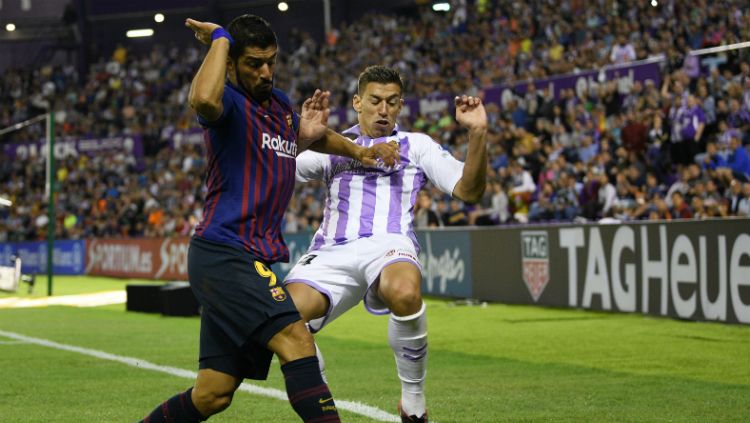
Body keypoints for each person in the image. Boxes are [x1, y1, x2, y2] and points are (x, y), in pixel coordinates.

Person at [141, 15, 397, 423]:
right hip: (225, 253)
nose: (265, 72)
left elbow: (310, 133)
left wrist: (359, 152)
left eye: (271, 62)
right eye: (254, 63)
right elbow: (201, 100)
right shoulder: (226, 103)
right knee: (296, 338)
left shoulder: (277, 106)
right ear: (231, 63)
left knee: (213, 394)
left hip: (249, 257)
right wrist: (221, 39)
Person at [283, 65, 488, 422]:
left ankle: (413, 401)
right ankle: (322, 401)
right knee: (281, 318)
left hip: (390, 245)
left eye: (392, 103)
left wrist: (478, 134)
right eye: (375, 101)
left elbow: (469, 191)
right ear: (357, 102)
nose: (383, 110)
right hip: (332, 250)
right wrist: (302, 135)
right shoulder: (333, 145)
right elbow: (279, 168)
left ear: (400, 106)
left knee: (406, 293)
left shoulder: (417, 145)